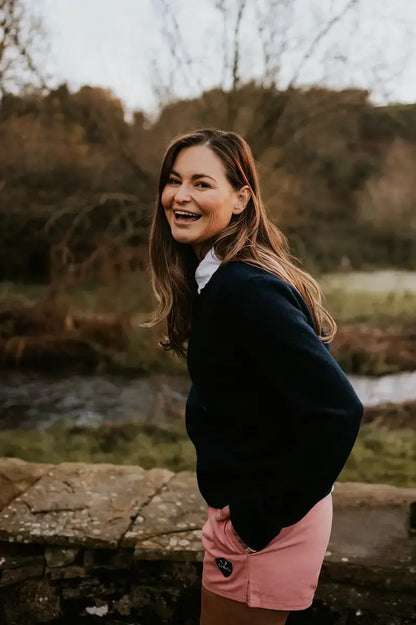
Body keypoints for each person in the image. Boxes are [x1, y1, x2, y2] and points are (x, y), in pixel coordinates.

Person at [145, 128, 363, 625]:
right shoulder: (220, 279)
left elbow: (338, 411)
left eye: (202, 183)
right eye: (174, 181)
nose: (181, 195)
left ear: (241, 198)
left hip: (264, 530)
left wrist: (255, 521)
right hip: (254, 519)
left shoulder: (244, 289)